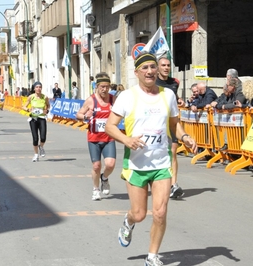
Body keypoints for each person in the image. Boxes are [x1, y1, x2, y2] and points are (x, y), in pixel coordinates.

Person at [105, 52, 197, 266]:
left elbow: (174, 124)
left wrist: (184, 136)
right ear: (136, 72)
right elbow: (110, 127)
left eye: (152, 67)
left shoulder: (168, 95)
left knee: (160, 212)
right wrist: (126, 140)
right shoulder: (127, 96)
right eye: (144, 68)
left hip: (161, 163)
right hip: (136, 164)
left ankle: (152, 256)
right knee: (139, 214)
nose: (149, 71)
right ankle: (128, 222)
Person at [76, 72, 116, 201]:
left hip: (109, 138)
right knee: (96, 166)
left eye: (107, 87)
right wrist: (86, 116)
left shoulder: (112, 99)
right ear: (97, 86)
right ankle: (95, 189)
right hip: (94, 138)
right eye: (102, 87)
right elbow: (78, 115)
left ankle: (104, 178)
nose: (105, 89)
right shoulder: (91, 100)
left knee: (110, 164)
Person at [156, 56, 185, 199]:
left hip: (171, 122)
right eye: (163, 65)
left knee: (173, 152)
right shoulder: (153, 82)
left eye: (168, 65)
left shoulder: (175, 83)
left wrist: (179, 99)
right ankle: (159, 181)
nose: (166, 67)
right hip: (157, 123)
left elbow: (173, 97)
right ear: (158, 67)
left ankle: (174, 185)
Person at [22, 81, 50, 162]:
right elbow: (24, 106)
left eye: (40, 87)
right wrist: (28, 109)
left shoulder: (45, 97)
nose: (38, 89)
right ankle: (36, 154)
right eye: (37, 87)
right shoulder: (31, 97)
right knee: (35, 138)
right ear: (34, 89)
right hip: (33, 119)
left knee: (43, 137)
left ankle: (41, 147)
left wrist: (46, 110)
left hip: (42, 118)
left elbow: (48, 105)